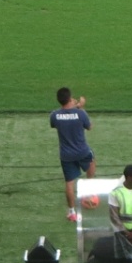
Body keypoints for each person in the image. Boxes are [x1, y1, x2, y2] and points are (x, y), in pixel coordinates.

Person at [49, 87, 94, 219]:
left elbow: (56, 122)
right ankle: (90, 194)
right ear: (70, 98)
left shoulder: (54, 115)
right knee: (92, 161)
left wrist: (73, 106)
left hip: (66, 155)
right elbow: (89, 126)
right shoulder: (80, 113)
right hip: (82, 151)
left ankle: (71, 212)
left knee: (69, 182)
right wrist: (79, 107)